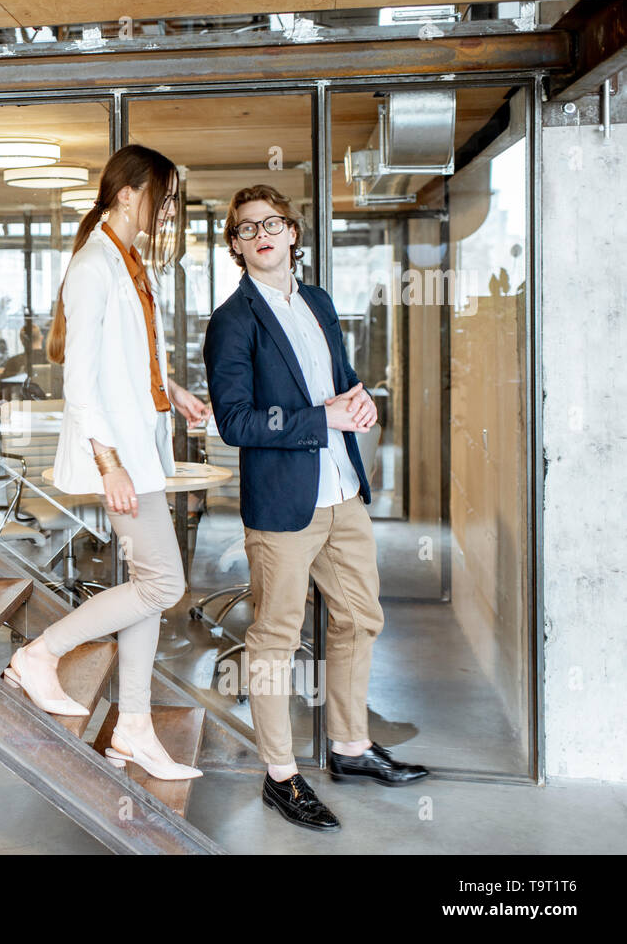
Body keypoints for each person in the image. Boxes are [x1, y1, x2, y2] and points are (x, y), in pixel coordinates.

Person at [202, 184, 429, 832]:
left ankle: (351, 746)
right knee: (274, 640)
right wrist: (317, 416)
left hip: (342, 488)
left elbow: (340, 378)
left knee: (360, 615)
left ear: (294, 233)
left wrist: (358, 402)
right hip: (282, 501)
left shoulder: (320, 302)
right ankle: (280, 774)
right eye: (246, 228)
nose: (261, 233)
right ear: (236, 246)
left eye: (272, 222)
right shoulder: (233, 320)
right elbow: (235, 421)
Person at [0, 144, 211, 782]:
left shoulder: (131, 259)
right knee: (163, 585)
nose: (167, 208)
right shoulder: (95, 264)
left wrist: (167, 389)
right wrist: (109, 463)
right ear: (128, 194)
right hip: (120, 454)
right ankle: (41, 653)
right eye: (163, 196)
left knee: (148, 593)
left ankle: (135, 730)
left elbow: (133, 354)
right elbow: (80, 380)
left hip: (141, 447)